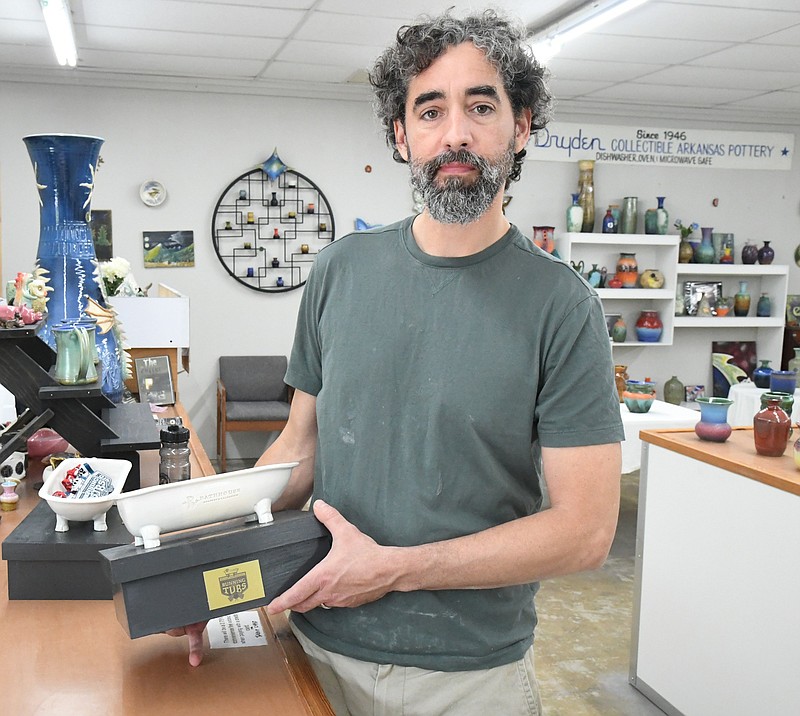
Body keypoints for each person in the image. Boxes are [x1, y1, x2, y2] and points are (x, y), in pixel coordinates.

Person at [172, 9, 623, 714]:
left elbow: (586, 531)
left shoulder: (563, 307)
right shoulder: (340, 271)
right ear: (401, 134)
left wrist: (397, 573)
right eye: (430, 109)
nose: (456, 134)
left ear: (522, 125)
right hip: (314, 644)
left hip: (468, 677)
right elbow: (299, 448)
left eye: (481, 105)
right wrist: (205, 571)